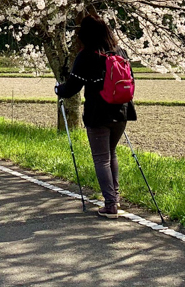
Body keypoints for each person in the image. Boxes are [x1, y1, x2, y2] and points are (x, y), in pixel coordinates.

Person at [54, 15, 137, 219]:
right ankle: (115, 198)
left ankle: (110, 205)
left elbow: (72, 87)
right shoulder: (121, 52)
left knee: (101, 159)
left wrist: (58, 89)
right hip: (122, 111)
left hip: (98, 113)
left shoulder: (87, 55)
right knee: (111, 154)